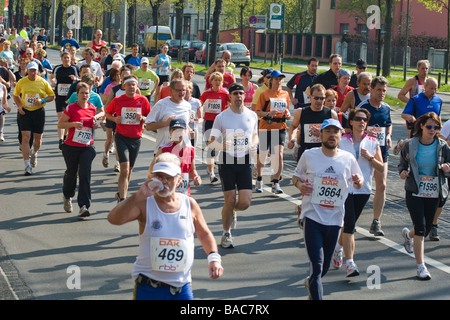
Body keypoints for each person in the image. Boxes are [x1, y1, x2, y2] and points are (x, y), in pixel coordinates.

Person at [107, 152, 223, 300]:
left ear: (179, 180)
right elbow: (113, 219)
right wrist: (137, 196)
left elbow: (204, 233)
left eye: (169, 178)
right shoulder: (144, 203)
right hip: (149, 287)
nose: (164, 182)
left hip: (181, 288)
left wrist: (214, 258)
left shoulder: (190, 204)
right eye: (159, 177)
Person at [292, 118, 363, 300]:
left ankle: (312, 283)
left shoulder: (348, 158)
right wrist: (300, 186)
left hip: (335, 219)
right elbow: (296, 177)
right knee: (316, 266)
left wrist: (358, 180)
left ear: (340, 135)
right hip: (312, 217)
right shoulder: (309, 155)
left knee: (322, 269)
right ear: (321, 134)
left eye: (335, 132)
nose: (332, 135)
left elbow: (359, 180)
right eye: (328, 131)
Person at [399, 112, 450, 280]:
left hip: (434, 190)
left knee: (427, 228)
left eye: (436, 127)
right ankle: (421, 267)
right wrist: (403, 172)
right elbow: (403, 162)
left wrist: (446, 167)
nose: (432, 130)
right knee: (421, 228)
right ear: (421, 126)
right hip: (414, 190)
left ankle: (408, 235)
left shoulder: (442, 146)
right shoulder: (411, 144)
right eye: (429, 126)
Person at [333, 109, 384, 276]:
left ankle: (338, 247)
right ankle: (350, 264)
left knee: (350, 224)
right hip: (344, 188)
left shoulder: (372, 142)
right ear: (352, 122)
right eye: (358, 119)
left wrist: (370, 158)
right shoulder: (342, 140)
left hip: (363, 189)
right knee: (349, 226)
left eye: (365, 119)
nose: (362, 122)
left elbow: (381, 168)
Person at [209, 82, 259, 248]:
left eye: (241, 93)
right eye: (235, 93)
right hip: (227, 161)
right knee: (229, 200)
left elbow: (255, 135)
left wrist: (253, 144)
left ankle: (232, 212)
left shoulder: (252, 115)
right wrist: (223, 146)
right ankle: (226, 234)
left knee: (244, 203)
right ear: (229, 97)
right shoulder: (221, 117)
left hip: (244, 160)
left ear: (245, 95)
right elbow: (211, 142)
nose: (238, 96)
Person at [58, 82, 104, 217]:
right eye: (82, 93)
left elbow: (100, 115)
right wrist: (73, 124)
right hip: (71, 146)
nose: (85, 95)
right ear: (76, 94)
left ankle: (83, 205)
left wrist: (95, 124)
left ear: (90, 95)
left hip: (86, 146)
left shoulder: (92, 108)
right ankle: (67, 195)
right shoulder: (71, 108)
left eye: (87, 93)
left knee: (84, 174)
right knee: (71, 174)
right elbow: (61, 124)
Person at [105, 75, 151, 202]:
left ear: (137, 86)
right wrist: (114, 119)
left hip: (136, 139)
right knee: (124, 169)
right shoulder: (118, 100)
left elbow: (150, 118)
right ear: (124, 86)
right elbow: (107, 113)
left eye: (133, 84)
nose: (131, 87)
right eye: (128, 84)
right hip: (121, 137)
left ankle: (121, 194)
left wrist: (142, 118)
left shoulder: (143, 100)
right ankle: (123, 200)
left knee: (129, 170)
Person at [357, 76, 392, 236]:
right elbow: (353, 125)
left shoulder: (386, 108)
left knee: (382, 185)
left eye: (384, 90)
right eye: (379, 89)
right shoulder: (363, 107)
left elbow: (388, 124)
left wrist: (389, 135)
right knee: (357, 185)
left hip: (381, 151)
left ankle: (376, 222)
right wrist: (365, 132)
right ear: (371, 89)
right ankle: (348, 216)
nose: (382, 93)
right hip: (363, 152)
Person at [13, 61, 55, 175]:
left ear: (37, 71)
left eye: (34, 70)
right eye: (30, 70)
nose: (32, 72)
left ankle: (34, 152)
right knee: (25, 138)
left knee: (38, 139)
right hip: (25, 112)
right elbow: (15, 95)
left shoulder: (43, 82)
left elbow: (52, 96)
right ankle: (27, 165)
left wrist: (43, 100)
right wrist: (19, 106)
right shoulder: (22, 82)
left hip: (39, 112)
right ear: (27, 71)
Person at [254, 70, 291, 194]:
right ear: (271, 81)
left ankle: (276, 182)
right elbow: (258, 111)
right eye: (276, 79)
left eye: (280, 79)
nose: (278, 81)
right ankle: (259, 178)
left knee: (278, 154)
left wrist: (287, 114)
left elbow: (286, 109)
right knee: (263, 155)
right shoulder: (264, 94)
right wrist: (268, 114)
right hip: (266, 126)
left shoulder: (285, 94)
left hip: (279, 127)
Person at [149, 118, 201, 197]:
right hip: (166, 194)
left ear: (185, 132)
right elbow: (150, 173)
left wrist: (196, 177)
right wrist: (170, 181)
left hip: (184, 195)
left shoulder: (191, 150)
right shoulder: (163, 150)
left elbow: (192, 170)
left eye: (180, 130)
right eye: (174, 130)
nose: (177, 133)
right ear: (170, 133)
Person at [394, 77, 442, 155]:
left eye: (435, 89)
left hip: (432, 129)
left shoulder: (439, 100)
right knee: (413, 145)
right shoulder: (415, 99)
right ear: (425, 87)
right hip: (418, 129)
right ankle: (401, 144)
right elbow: (403, 114)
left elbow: (438, 115)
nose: (433, 91)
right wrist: (409, 117)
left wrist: (440, 126)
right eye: (431, 88)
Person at [199, 72, 230, 183]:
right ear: (211, 81)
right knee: (211, 147)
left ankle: (210, 168)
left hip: (221, 123)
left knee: (218, 148)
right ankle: (212, 174)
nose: (217, 82)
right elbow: (199, 105)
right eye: (215, 80)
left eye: (219, 80)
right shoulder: (206, 93)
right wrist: (199, 115)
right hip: (209, 122)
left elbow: (232, 106)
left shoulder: (225, 93)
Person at [145, 78, 192, 152]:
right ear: (171, 91)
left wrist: (189, 131)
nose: (181, 92)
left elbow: (186, 124)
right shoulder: (161, 104)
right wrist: (166, 123)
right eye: (178, 90)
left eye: (184, 90)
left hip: (183, 150)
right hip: (164, 151)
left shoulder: (187, 105)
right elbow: (148, 126)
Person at [51, 51, 79, 149]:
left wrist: (75, 78)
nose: (66, 59)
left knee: (68, 118)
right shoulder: (57, 68)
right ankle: (61, 139)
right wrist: (53, 83)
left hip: (71, 97)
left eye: (68, 58)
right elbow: (52, 77)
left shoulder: (74, 68)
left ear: (70, 58)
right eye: (64, 58)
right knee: (61, 117)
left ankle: (66, 135)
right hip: (59, 96)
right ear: (62, 59)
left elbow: (80, 79)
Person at [398, 60, 430, 138]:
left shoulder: (429, 82)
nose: (424, 71)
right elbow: (400, 95)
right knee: (412, 136)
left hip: (424, 111)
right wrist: (412, 102)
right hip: (413, 113)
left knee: (425, 135)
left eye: (426, 68)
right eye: (422, 68)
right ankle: (401, 145)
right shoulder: (412, 81)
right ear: (418, 69)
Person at [185, 81, 202, 146]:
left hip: (193, 129)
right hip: (182, 129)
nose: (186, 90)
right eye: (184, 89)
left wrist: (198, 120)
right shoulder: (180, 101)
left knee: (192, 148)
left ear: (191, 90)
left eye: (188, 88)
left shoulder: (196, 102)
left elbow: (201, 118)